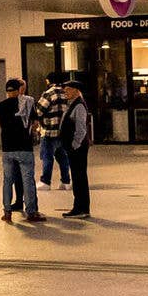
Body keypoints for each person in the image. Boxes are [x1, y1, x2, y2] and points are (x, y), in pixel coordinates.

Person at [0, 77, 39, 222]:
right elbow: (34, 123)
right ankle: (31, 212)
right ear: (19, 90)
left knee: (7, 181)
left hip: (7, 148)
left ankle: (7, 212)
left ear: (7, 91)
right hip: (24, 147)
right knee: (28, 181)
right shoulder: (27, 103)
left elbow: (2, 125)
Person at [58, 83, 93, 218]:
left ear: (76, 91)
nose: (65, 92)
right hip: (73, 148)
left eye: (68, 90)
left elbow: (81, 128)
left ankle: (81, 208)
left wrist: (75, 144)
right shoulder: (72, 104)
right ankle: (79, 207)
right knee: (77, 177)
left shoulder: (78, 106)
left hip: (77, 148)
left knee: (79, 177)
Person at [33, 78, 71, 190]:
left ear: (49, 81)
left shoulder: (49, 93)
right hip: (62, 132)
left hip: (49, 132)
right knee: (63, 157)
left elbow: (39, 111)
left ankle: (46, 181)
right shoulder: (66, 93)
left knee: (47, 157)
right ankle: (66, 181)